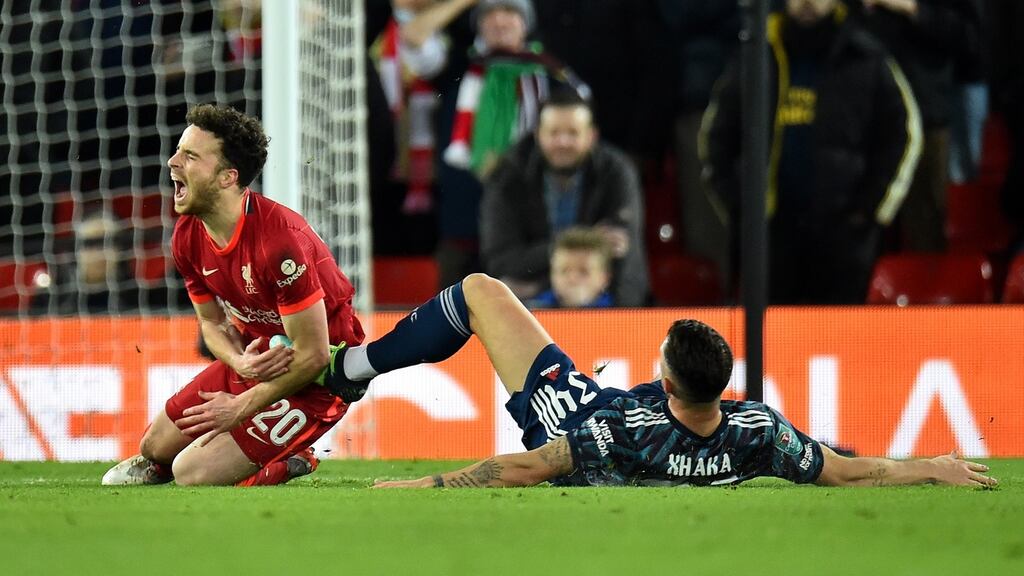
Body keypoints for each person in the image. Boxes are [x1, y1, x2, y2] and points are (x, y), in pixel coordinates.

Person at [312, 273, 995, 488]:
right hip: (638, 424)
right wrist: (931, 467)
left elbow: (520, 467)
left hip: (573, 417)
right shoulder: (758, 431)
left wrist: (423, 483)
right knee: (828, 448)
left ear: (665, 382)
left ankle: (351, 370)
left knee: (483, 294)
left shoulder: (618, 429)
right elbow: (846, 472)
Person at [102, 104, 365, 487]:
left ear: (228, 177)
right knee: (154, 447)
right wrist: (240, 362)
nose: (173, 162)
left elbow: (313, 354)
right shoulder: (187, 236)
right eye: (179, 151)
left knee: (191, 473)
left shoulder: (278, 243)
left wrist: (239, 407)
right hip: (257, 359)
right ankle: (226, 454)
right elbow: (211, 323)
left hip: (321, 378)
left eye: (190, 156)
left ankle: (293, 459)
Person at [702, 0, 922, 304]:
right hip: (773, 234)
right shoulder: (756, 55)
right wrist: (741, 210)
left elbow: (904, 133)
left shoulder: (866, 55)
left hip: (844, 237)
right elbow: (716, 138)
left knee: (840, 340)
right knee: (774, 343)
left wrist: (869, 210)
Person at [481, 90, 649, 306]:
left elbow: (626, 256)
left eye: (572, 133)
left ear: (591, 136)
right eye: (554, 133)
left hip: (601, 304)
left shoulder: (616, 172)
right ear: (538, 134)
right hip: (527, 307)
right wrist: (583, 244)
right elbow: (501, 262)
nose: (563, 142)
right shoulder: (507, 176)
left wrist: (624, 319)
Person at [529, 227, 614, 309]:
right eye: (564, 270)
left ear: (605, 278)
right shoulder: (530, 313)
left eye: (583, 271)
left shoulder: (622, 316)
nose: (572, 279)